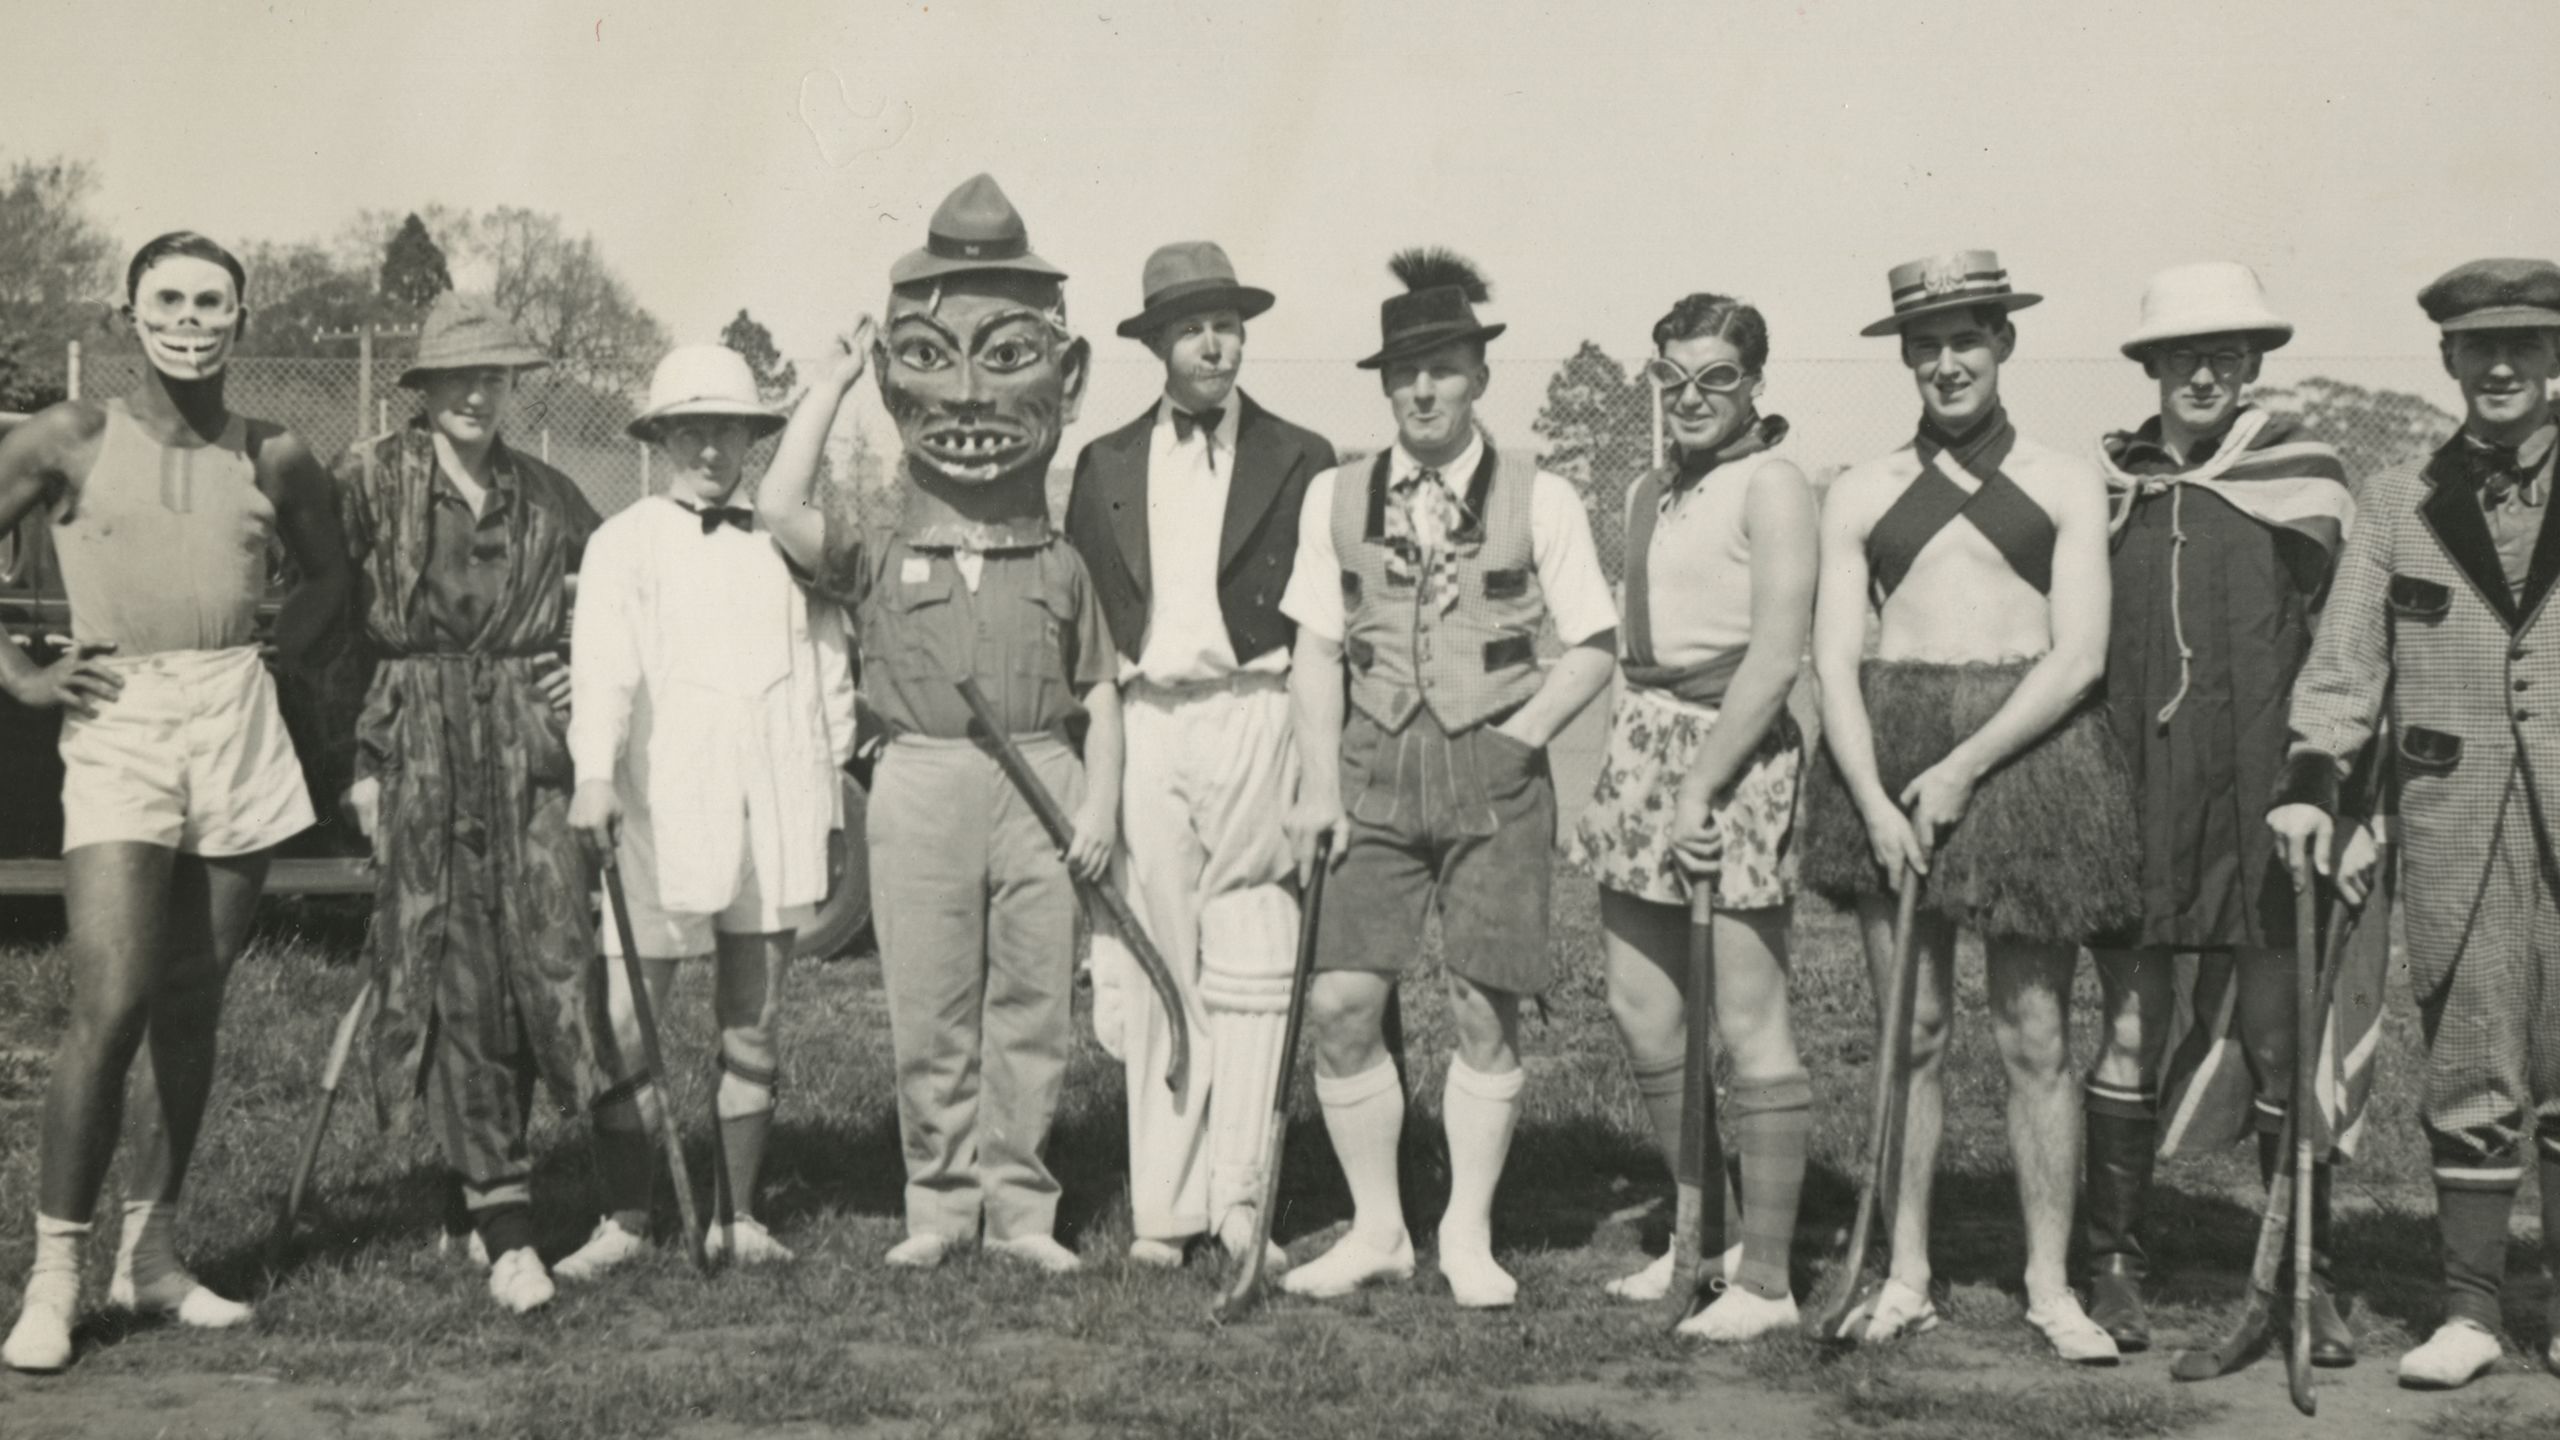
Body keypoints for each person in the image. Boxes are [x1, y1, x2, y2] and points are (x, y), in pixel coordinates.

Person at [759, 174, 1121, 1275]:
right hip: (918, 779)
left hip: (1042, 784)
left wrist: (1095, 805)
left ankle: (1021, 1209)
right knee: (928, 1002)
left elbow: (1100, 692)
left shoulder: (1060, 561)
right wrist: (823, 385)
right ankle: (938, 1205)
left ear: (1066, 377)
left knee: (1030, 1002)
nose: (966, 399)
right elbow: (777, 508)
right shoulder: (873, 545)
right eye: (929, 358)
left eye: (1006, 358)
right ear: (891, 380)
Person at [1, 232, 348, 1372]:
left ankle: (149, 1256)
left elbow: (333, 575)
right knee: (108, 1004)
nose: (192, 318)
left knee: (195, 1001)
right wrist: (22, 675)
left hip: (233, 713)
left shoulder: (277, 450)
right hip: (120, 717)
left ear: (242, 321)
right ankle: (53, 1278)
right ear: (127, 312)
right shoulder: (69, 436)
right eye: (170, 299)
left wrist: (281, 650)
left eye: (214, 302)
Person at [1800, 251, 2137, 1362]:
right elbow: (1834, 660)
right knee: (1911, 1035)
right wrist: (1873, 797)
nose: (1946, 363)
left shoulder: (2062, 480)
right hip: (1886, 760)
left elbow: (2079, 654)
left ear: (2004, 342)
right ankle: (1904, 1273)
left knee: (2034, 1035)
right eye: (1925, 345)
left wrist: (1964, 769)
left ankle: (2051, 1285)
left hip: (2029, 755)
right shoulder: (1857, 489)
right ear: (1904, 355)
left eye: (1967, 340)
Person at [1278, 249, 1618, 1309]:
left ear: (1478, 374)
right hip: (1372, 768)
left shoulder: (1541, 493)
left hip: (1496, 768)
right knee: (1340, 1001)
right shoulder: (1338, 494)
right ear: (1385, 382)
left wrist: (1520, 740)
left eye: (1443, 367)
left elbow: (1596, 644)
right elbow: (1315, 651)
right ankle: (1379, 1227)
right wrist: (1319, 786)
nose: (1421, 390)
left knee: (1483, 1005)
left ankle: (1465, 1233)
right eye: (1403, 372)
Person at [2273, 257, 2560, 1390]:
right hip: (2454, 823)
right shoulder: (2397, 495)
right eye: (2476, 349)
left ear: (2556, 360)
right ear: (2445, 360)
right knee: (2472, 1058)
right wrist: (2311, 780)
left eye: (2525, 347)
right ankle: (2473, 1311)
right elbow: (2344, 667)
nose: (2499, 367)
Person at [2079, 262, 2369, 1359]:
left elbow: (2348, 648)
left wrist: (2340, 794)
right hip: (2137, 787)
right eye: (2181, 355)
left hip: (2265, 795)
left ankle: (2307, 1276)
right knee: (2127, 1023)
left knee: (2277, 1032)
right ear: (2150, 366)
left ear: (2252, 364)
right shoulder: (2113, 485)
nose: (2203, 373)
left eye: (2226, 355)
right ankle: (2111, 1262)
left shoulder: (2309, 481)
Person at [333, 291, 618, 1315]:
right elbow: (323, 623)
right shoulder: (370, 478)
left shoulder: (545, 490)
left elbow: (624, 599)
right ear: (424, 386)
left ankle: (482, 1176)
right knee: (449, 961)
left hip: (527, 746)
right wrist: (359, 763)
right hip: (419, 742)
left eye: (494, 377)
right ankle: (506, 1222)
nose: (476, 394)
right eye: (458, 376)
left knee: (538, 963)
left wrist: (586, 672)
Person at [1064, 241, 1337, 1269]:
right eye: (1190, 328)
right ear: (1157, 345)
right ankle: (1165, 1211)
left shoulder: (1302, 456)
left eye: (1226, 324)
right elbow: (1089, 633)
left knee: (1256, 955)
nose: (1213, 343)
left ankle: (1242, 1203)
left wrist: (1315, 763)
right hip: (1148, 723)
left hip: (1257, 710)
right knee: (1160, 952)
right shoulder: (1105, 465)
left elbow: (1321, 627)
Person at [559, 344, 856, 1275]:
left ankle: (739, 1215)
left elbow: (829, 671)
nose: (711, 447)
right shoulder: (623, 542)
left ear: (753, 437)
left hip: (772, 797)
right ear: (660, 437)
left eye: (727, 427)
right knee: (624, 1014)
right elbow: (602, 670)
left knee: (753, 1015)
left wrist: (828, 786)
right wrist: (595, 774)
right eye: (691, 428)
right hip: (657, 803)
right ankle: (625, 1216)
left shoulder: (787, 538)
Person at [1564, 292, 1816, 1341]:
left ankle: (1765, 1281)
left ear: (1755, 382)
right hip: (1643, 742)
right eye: (1674, 379)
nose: (1693, 398)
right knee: (1642, 1007)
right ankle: (1696, 1233)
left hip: (1734, 754)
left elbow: (1774, 653)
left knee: (1748, 1019)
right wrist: (1628, 777)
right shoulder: (1644, 488)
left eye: (1717, 378)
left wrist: (1703, 787)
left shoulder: (1775, 484)